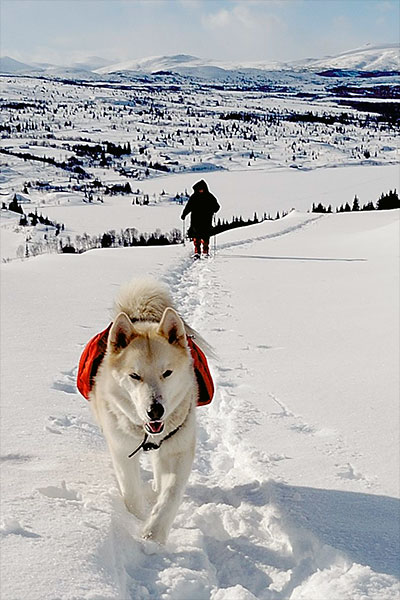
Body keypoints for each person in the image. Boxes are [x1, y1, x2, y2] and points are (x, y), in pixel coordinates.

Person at [181, 180, 220, 258]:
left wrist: (214, 209)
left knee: (205, 236)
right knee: (196, 236)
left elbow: (217, 206)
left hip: (206, 219)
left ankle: (205, 251)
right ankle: (197, 252)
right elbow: (188, 207)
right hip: (196, 219)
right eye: (199, 189)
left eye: (201, 189)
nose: (200, 191)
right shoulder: (195, 197)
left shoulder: (209, 196)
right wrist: (184, 214)